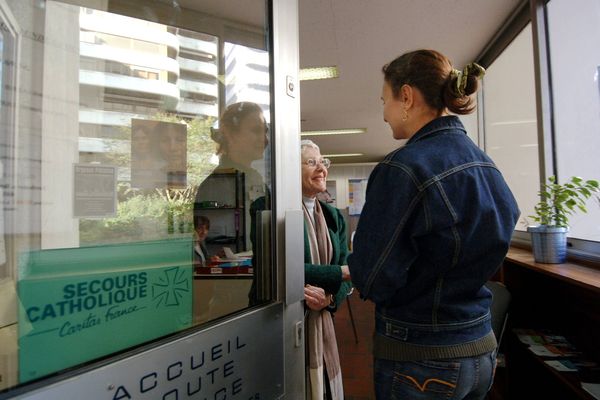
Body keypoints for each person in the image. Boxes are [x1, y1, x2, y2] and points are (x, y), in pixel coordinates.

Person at [347, 50, 520, 400]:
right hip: (480, 348)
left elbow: (371, 276)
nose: (384, 114)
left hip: (422, 359)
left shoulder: (403, 168)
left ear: (407, 96)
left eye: (385, 101)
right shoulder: (485, 163)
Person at [194, 101, 270, 307]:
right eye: (255, 131)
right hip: (232, 292)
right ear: (229, 133)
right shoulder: (216, 183)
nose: (264, 139)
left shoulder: (254, 178)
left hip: (258, 283)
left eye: (265, 132)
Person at [301, 139, 352, 400]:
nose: (321, 168)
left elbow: (348, 280)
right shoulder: (269, 208)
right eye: (311, 162)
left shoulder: (334, 216)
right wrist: (339, 273)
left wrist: (329, 300)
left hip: (323, 318)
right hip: (289, 324)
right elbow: (283, 268)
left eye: (324, 162)